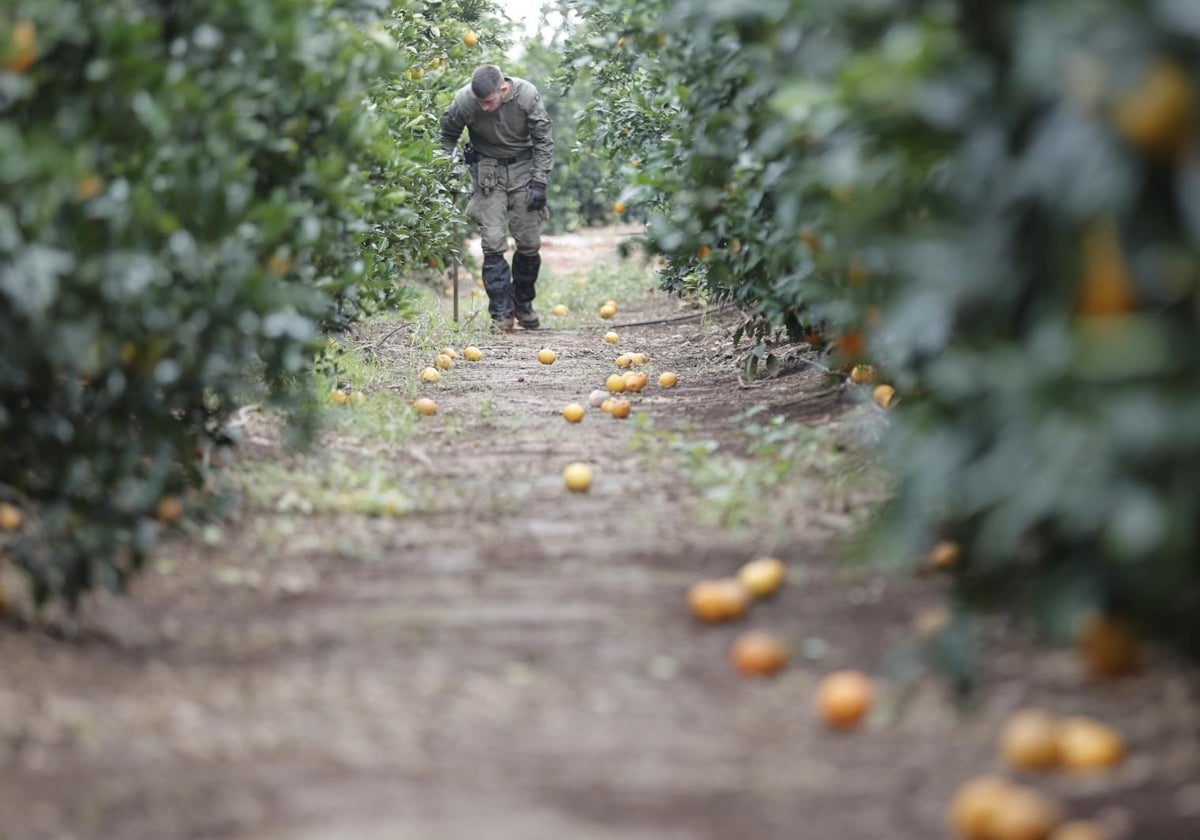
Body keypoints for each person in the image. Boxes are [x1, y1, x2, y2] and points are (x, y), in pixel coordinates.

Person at [440, 64, 554, 331]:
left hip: (524, 170)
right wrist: (450, 168)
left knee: (529, 242)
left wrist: (539, 181)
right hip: (487, 172)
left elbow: (543, 139)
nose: (484, 108)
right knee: (492, 243)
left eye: (489, 101)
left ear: (503, 89)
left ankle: (522, 304)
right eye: (480, 102)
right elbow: (447, 136)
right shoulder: (465, 102)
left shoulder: (526, 96)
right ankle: (501, 314)